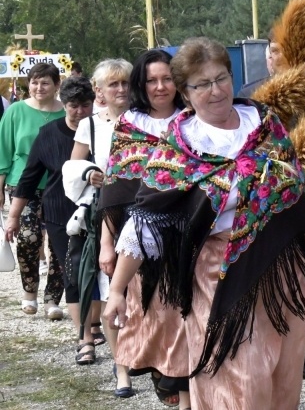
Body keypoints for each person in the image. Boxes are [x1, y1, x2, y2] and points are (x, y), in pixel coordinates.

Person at [104, 37, 305, 410]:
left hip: (281, 269)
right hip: (219, 275)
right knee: (240, 377)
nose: (216, 91)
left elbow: (299, 194)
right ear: (185, 92)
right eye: (202, 84)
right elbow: (146, 223)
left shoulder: (264, 124)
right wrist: (117, 290)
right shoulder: (180, 147)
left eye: (222, 78)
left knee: (284, 376)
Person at [95, 49, 188, 407]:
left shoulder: (193, 120)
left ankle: (186, 391)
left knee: (183, 319)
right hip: (139, 242)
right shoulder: (130, 125)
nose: (160, 86)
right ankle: (166, 384)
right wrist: (107, 244)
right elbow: (114, 191)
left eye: (167, 78)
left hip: (191, 239)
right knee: (151, 319)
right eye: (152, 80)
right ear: (142, 84)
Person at [4, 77, 95, 355]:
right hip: (59, 211)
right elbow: (30, 177)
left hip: (98, 209)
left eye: (85, 105)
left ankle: (98, 322)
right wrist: (13, 216)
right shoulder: (48, 133)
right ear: (64, 106)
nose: (79, 111)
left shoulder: (102, 130)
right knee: (73, 269)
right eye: (73, 106)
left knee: (98, 269)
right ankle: (85, 337)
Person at [70, 58, 133, 396]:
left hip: (145, 208)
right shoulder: (90, 126)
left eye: (125, 82)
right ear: (99, 91)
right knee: (111, 287)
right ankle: (121, 365)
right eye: (113, 84)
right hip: (108, 213)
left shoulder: (146, 119)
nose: (121, 89)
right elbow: (73, 166)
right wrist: (89, 172)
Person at [0, 62, 65, 319]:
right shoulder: (16, 111)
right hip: (23, 184)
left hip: (58, 184)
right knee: (28, 237)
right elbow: (3, 150)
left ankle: (53, 298)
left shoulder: (66, 112)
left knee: (61, 240)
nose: (39, 87)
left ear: (56, 85)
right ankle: (29, 291)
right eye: (35, 82)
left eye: (46, 82)